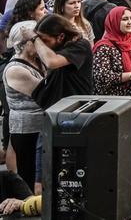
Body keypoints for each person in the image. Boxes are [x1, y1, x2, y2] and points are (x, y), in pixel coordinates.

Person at [4, 22, 45, 191]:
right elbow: (46, 93)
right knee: (27, 176)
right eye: (35, 40)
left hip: (40, 126)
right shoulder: (15, 69)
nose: (40, 43)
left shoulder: (38, 61)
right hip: (26, 129)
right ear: (24, 43)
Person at [32, 14, 95, 102]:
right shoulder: (53, 47)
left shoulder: (81, 45)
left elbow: (52, 62)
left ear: (61, 37)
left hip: (78, 105)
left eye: (45, 40)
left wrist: (35, 38)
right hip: (58, 105)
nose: (42, 45)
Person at [92, 6, 131, 96]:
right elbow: (102, 77)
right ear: (114, 22)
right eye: (124, 19)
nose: (130, 22)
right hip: (113, 101)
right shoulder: (104, 47)